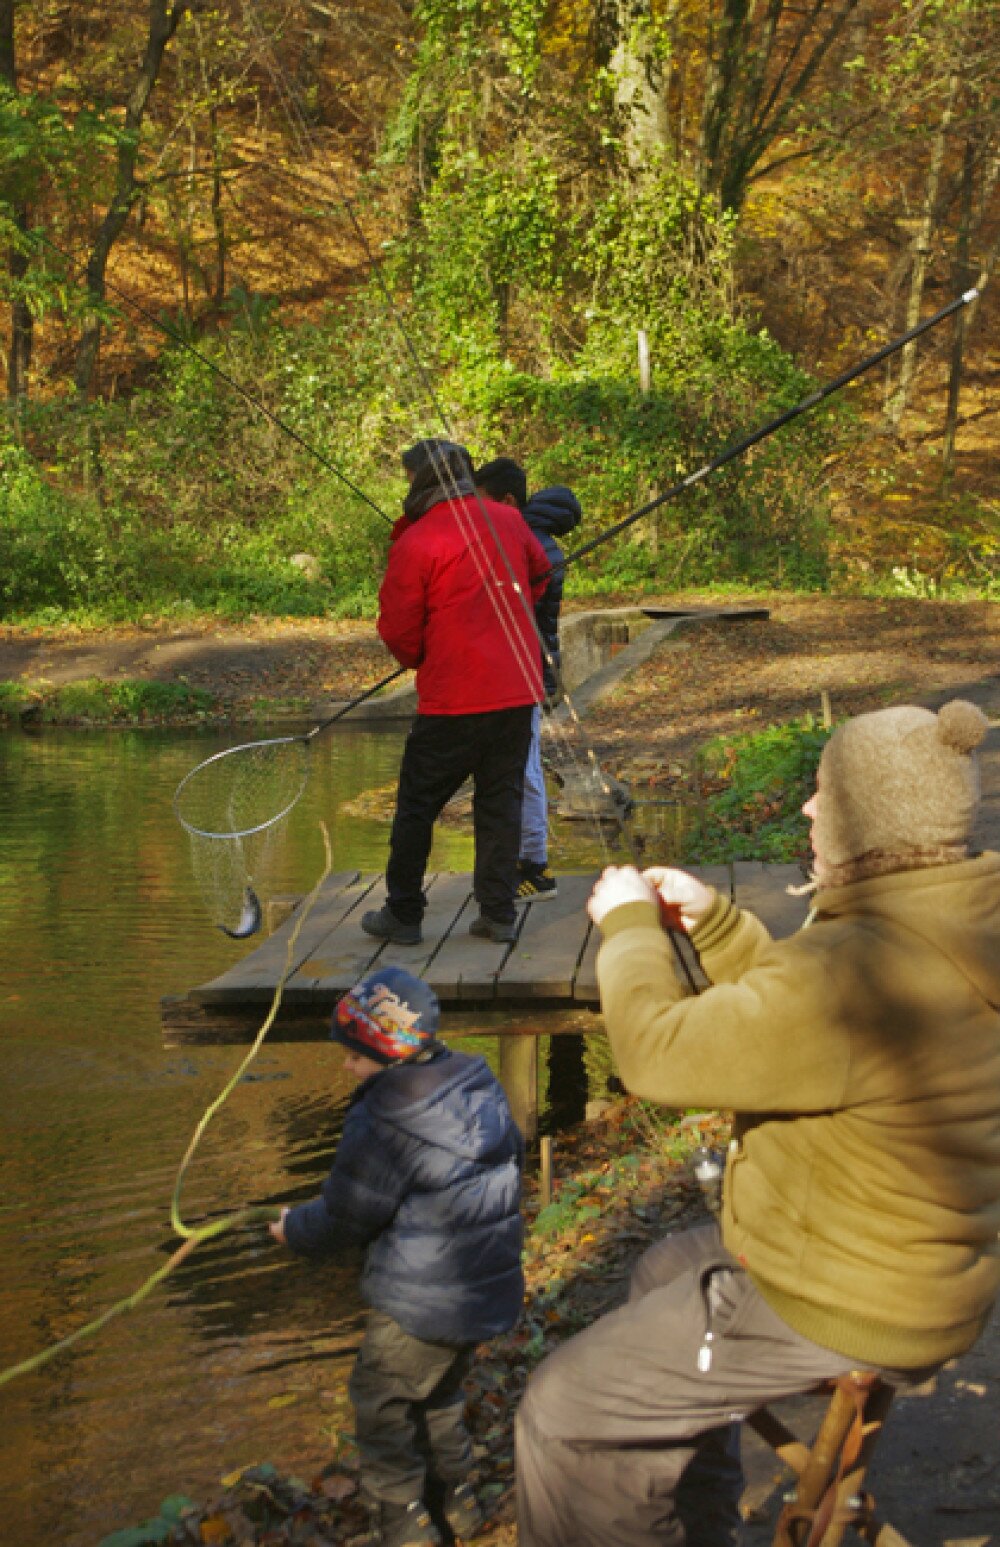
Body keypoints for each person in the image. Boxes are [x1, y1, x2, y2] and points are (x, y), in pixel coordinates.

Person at [515, 698, 1000, 1547]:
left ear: (863, 822)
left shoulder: (853, 965)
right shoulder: (949, 917)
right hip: (920, 1261)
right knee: (663, 1268)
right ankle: (696, 1522)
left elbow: (661, 1056)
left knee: (561, 1411)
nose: (809, 809)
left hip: (848, 1296)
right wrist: (720, 924)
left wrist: (630, 928)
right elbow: (818, 1025)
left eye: (821, 794)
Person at [270, 965, 525, 1547]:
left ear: (390, 1056)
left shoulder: (385, 1117)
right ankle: (456, 1500)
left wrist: (293, 1231)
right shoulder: (475, 1084)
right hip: (484, 1288)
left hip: (418, 1302)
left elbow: (346, 1216)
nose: (345, 1066)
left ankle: (404, 1522)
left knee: (382, 1403)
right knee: (437, 1395)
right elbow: (512, 1161)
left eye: (355, 1057)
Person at [363, 438, 550, 946]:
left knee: (418, 806)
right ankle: (498, 913)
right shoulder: (507, 520)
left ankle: (403, 913)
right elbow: (540, 571)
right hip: (516, 690)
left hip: (454, 698)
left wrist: (429, 652)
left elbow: (400, 633)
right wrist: (506, 615)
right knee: (500, 803)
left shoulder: (418, 542)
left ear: (420, 480)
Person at [473, 457, 582, 903]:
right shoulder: (527, 539)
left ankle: (532, 867)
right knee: (520, 766)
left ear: (508, 502)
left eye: (483, 503)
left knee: (525, 768)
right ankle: (522, 863)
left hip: (524, 671)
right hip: (520, 669)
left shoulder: (530, 545)